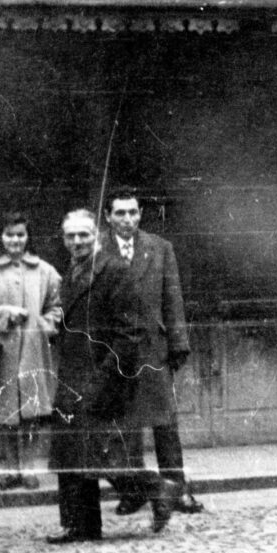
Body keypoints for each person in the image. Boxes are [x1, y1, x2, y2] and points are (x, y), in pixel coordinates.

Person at [45, 208, 180, 544]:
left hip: (100, 378)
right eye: (70, 236)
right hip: (73, 376)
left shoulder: (114, 271)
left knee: (100, 454)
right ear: (64, 239)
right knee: (73, 453)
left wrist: (106, 380)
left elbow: (130, 333)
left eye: (84, 235)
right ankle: (82, 525)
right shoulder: (72, 273)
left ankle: (158, 487)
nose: (77, 242)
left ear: (96, 236)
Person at [100, 186, 202, 515]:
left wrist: (178, 346)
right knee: (126, 424)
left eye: (132, 212)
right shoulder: (98, 250)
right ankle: (135, 491)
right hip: (118, 350)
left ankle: (178, 489)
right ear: (108, 217)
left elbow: (172, 299)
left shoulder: (159, 248)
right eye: (120, 213)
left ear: (140, 214)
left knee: (165, 423)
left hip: (154, 349)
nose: (127, 219)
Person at [0, 211, 63, 491]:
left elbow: (57, 306)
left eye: (20, 234)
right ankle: (11, 470)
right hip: (1, 353)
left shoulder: (45, 271)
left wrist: (42, 326)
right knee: (6, 415)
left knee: (31, 415)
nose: (15, 240)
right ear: (1, 237)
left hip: (34, 351)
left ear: (28, 237)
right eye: (9, 235)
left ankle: (29, 468)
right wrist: (2, 313)